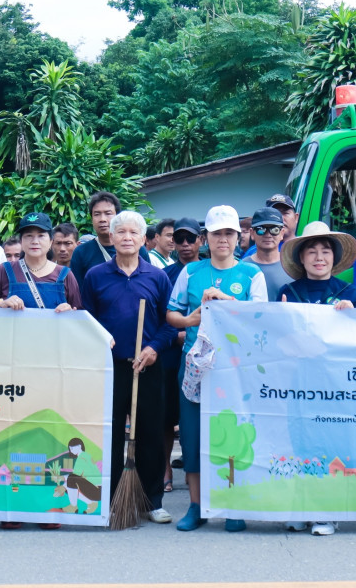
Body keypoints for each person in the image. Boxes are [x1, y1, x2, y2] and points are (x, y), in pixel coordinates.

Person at [167, 205, 267, 532]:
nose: (222, 239)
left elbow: (261, 319)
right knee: (193, 437)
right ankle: (196, 507)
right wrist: (190, 320)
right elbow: (172, 314)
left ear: (239, 237)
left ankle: (232, 504)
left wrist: (226, 300)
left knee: (233, 437)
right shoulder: (190, 272)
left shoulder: (252, 274)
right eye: (216, 233)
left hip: (235, 370)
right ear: (205, 238)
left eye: (228, 233)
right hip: (196, 367)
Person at [80, 211, 174, 526]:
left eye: (134, 232)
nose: (127, 237)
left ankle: (152, 500)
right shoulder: (95, 276)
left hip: (147, 365)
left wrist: (153, 348)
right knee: (109, 434)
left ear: (143, 238)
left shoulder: (157, 277)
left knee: (150, 434)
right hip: (110, 367)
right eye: (121, 232)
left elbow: (169, 323)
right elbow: (86, 319)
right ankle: (109, 500)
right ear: (112, 237)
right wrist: (101, 339)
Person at [274, 222, 356, 537]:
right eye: (312, 251)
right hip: (298, 384)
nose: (319, 257)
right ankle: (301, 508)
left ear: (334, 257)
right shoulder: (288, 293)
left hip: (335, 386)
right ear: (301, 257)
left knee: (329, 444)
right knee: (300, 444)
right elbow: (278, 341)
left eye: (325, 251)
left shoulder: (349, 293)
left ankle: (327, 513)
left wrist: (353, 316)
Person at [160, 217, 200, 494]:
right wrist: (177, 335)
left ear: (200, 240)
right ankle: (165, 470)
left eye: (190, 239)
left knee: (194, 416)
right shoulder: (165, 275)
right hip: (171, 352)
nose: (185, 244)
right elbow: (161, 316)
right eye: (179, 239)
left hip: (203, 355)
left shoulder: (208, 271)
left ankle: (193, 467)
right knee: (167, 415)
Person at [0, 212, 81, 313]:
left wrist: (70, 312)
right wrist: (0, 304)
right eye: (29, 235)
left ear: (51, 242)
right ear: (21, 242)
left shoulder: (65, 275)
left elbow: (80, 316)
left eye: (41, 235)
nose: (35, 241)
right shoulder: (4, 271)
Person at [69, 191, 150, 285]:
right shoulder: (81, 252)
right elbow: (76, 290)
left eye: (108, 213)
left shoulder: (137, 249)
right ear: (91, 219)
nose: (102, 219)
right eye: (97, 214)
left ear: (117, 217)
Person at [244, 207, 293, 301]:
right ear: (252, 233)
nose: (268, 235)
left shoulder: (293, 267)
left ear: (282, 233)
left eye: (274, 229)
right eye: (261, 229)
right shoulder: (242, 267)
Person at [242, 194, 299, 258]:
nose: (280, 218)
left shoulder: (304, 248)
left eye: (285, 213)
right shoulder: (253, 252)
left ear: (296, 218)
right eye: (274, 214)